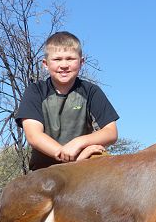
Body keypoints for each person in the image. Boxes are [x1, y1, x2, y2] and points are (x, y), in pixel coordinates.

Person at [15, 31, 119, 170]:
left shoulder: (91, 91)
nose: (64, 65)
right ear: (45, 64)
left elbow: (111, 132)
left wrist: (79, 142)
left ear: (81, 62)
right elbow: (34, 136)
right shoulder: (35, 91)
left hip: (85, 163)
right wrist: (71, 157)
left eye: (70, 59)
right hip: (44, 168)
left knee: (104, 162)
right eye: (57, 59)